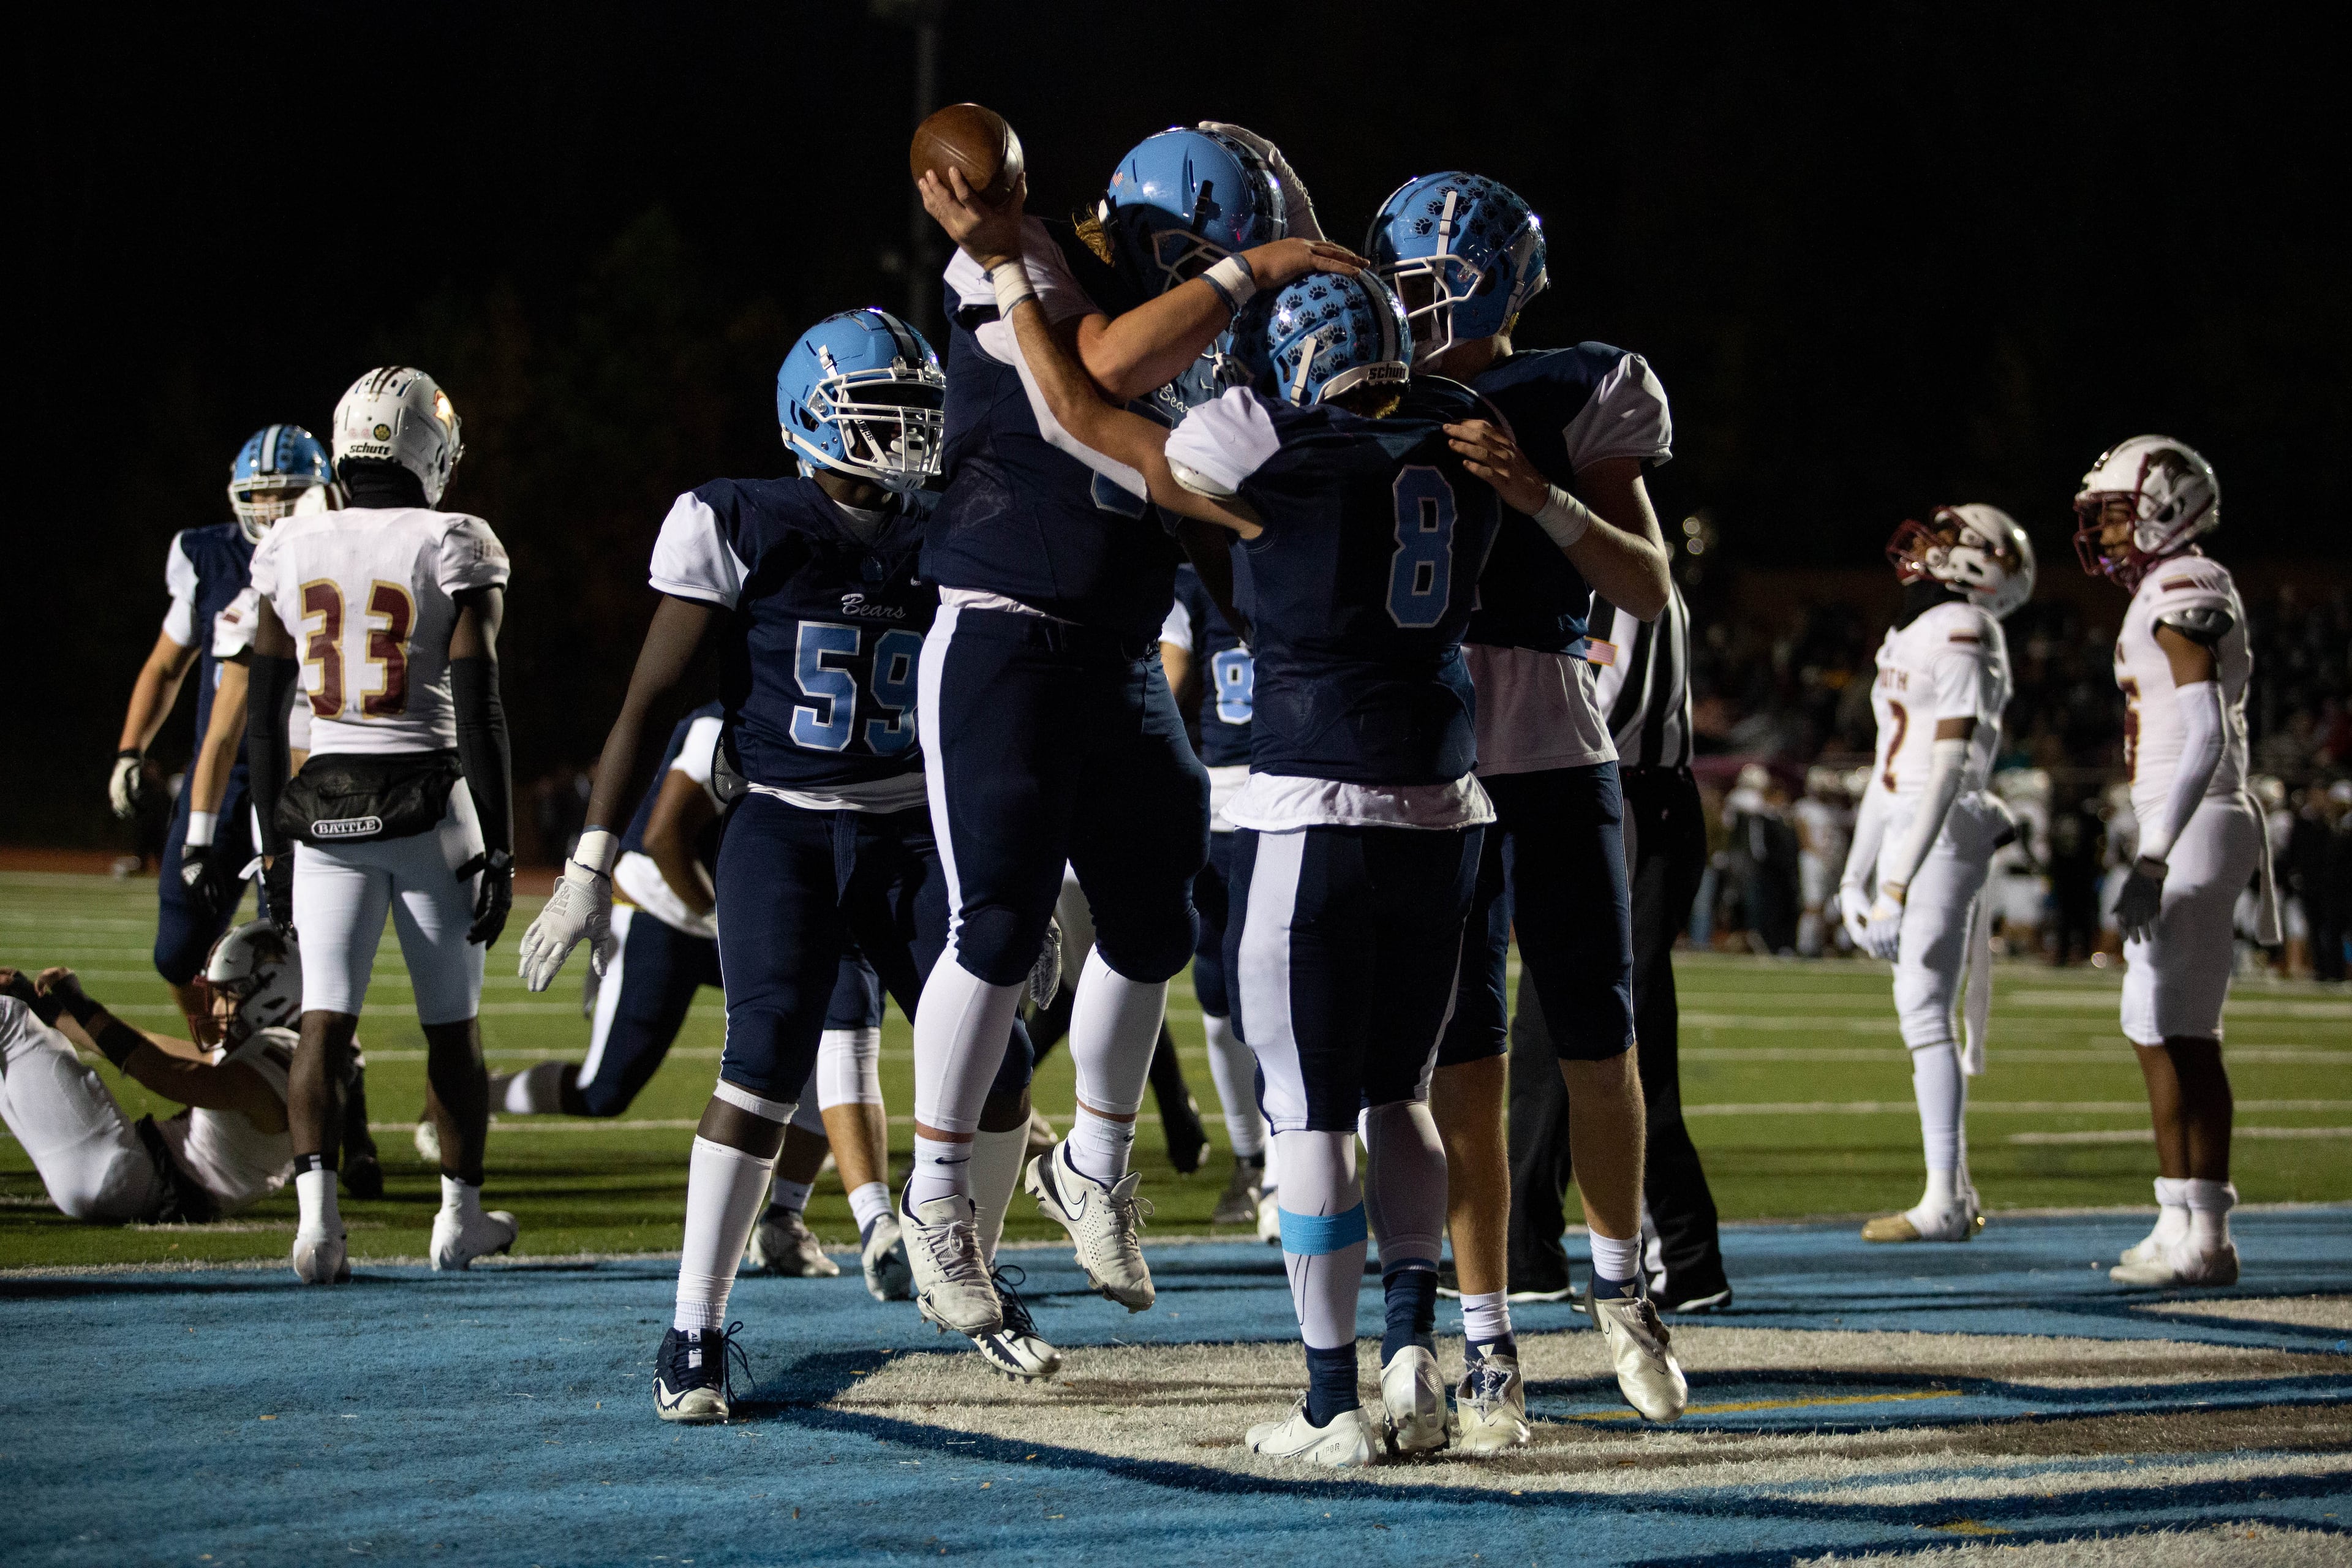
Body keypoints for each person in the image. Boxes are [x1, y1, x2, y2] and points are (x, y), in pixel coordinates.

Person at [928, 160, 1532, 1464]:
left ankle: (1331, 1401)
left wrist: (1011, 283)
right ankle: (1419, 1352)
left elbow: (1089, 415)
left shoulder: (1263, 443)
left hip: (1319, 809)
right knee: (1404, 1097)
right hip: (1449, 811)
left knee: (1310, 1114)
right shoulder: (1468, 439)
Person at [516, 311, 1051, 1423]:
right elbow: (648, 702)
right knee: (759, 1069)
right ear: (812, 419)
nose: (911, 441)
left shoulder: (955, 524)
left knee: (1001, 1068)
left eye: (920, 418)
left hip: (915, 834)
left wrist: (1015, 874)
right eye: (883, 418)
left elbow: (1000, 716)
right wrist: (585, 864)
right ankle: (694, 1331)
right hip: (786, 830)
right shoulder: (743, 520)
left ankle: (973, 1282)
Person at [905, 124, 1359, 1334]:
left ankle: (1095, 1165)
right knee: (998, 922)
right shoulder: (1021, 256)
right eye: (1209, 255)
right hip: (1002, 632)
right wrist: (1248, 275)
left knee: (1158, 916)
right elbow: (1098, 371)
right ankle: (936, 1196)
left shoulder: (1174, 303)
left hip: (1119, 645)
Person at [1367, 171, 1687, 1437]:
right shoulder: (1365, 395)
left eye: (1434, 285)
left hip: (1554, 741)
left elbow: (1649, 584)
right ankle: (1487, 1336)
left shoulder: (1578, 385)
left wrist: (1534, 495)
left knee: (1600, 1043)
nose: (1412, 309)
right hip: (1428, 748)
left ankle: (1622, 1291)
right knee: (1467, 1063)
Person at [244, 367, 518, 1285]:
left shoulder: (291, 542)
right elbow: (479, 709)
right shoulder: (453, 539)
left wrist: (265, 838)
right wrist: (505, 841)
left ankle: (317, 1230)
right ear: (427, 448)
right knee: (454, 1027)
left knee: (325, 1019)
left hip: (323, 807)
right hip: (432, 799)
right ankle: (458, 1219)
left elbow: (261, 709)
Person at [490, 700, 908, 1295]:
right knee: (605, 1090)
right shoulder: (726, 724)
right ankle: (485, 1093)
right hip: (665, 908)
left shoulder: (843, 729)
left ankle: (788, 1217)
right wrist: (731, 926)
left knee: (828, 1025)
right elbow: (665, 838)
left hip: (743, 912)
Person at [2073, 436, 2273, 1287]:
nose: (2108, 533)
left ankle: (2205, 1234)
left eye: (2117, 512)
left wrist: (2154, 855)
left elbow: (2202, 730)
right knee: (2156, 1026)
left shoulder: (2188, 581)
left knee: (2181, 1031)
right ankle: (2180, 1217)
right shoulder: (2165, 587)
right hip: (2184, 820)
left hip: (2192, 821)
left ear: (2164, 503)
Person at [1511, 575, 1732, 1313]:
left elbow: (1610, 710)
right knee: (1541, 1032)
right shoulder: (1558, 571)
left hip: (1627, 804)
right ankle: (1528, 1250)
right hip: (1579, 801)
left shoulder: (1627, 574)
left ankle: (1687, 1252)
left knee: (1621, 1030)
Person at [1839, 505, 2033, 1243]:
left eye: (1948, 537)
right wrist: (1854, 878)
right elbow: (1890, 770)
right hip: (1911, 816)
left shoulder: (1966, 629)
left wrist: (1892, 884)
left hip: (1943, 822)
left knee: (1924, 1005)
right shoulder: (1918, 630)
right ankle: (1950, 1189)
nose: (1926, 542)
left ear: (1980, 561)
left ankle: (1944, 1199)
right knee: (1916, 1005)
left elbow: (1948, 764)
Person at [109, 426, 335, 1041]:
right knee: (177, 951)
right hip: (225, 771)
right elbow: (165, 664)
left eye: (288, 493)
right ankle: (221, 1063)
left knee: (293, 962)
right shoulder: (208, 555)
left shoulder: (343, 550)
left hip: (307, 775)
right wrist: (132, 751)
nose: (271, 508)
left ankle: (338, 1100)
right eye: (260, 495)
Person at [187, 577, 390, 1199]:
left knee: (328, 990)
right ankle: (321, 1144)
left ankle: (341, 1144)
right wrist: (200, 833)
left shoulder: (354, 576)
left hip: (349, 808)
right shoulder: (270, 594)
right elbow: (231, 729)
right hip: (299, 818)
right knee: (303, 991)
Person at [0, 922, 306, 1224]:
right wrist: (49, 1008)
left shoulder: (284, 1061)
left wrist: (82, 1004)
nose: (216, 1009)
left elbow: (164, 1073)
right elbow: (151, 1047)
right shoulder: (271, 1054)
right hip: (124, 1177)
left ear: (274, 992)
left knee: (7, 1015)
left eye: (229, 994)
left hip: (131, 1174)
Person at [1159, 559, 1270, 1226]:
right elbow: (1173, 673)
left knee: (1276, 990)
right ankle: (1254, 1158)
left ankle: (1283, 1163)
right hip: (1221, 799)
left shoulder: (1296, 553)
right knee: (1217, 990)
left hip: (1287, 790)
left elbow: (1169, 679)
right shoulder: (1190, 581)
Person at [1794, 767, 1851, 957]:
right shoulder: (1805, 808)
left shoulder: (1835, 810)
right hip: (1814, 861)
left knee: (1834, 907)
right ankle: (1807, 946)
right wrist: (1821, 855)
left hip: (1833, 861)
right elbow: (1804, 838)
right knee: (1814, 904)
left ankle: (1834, 945)